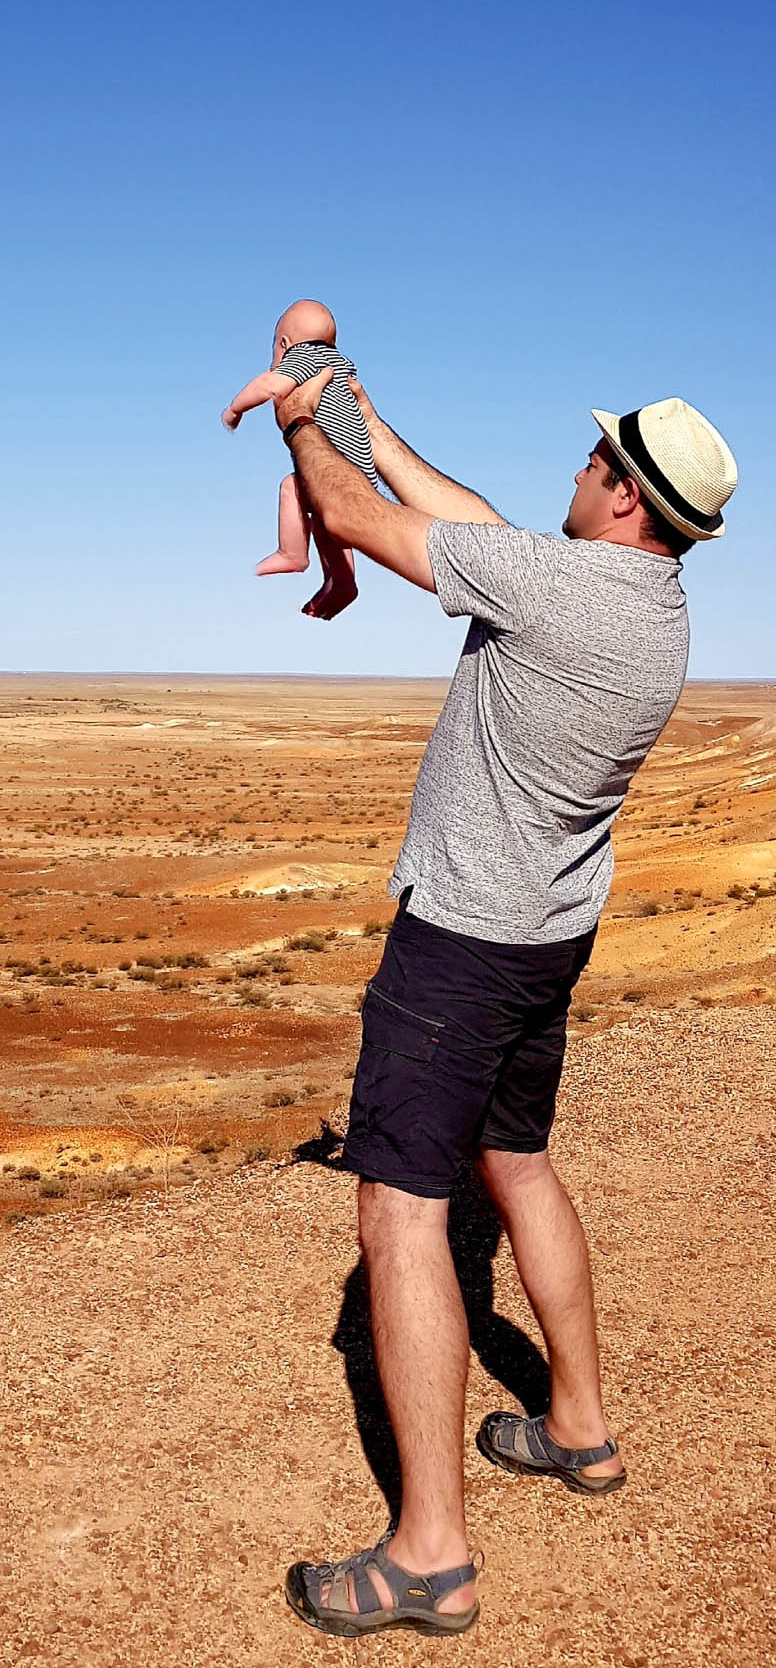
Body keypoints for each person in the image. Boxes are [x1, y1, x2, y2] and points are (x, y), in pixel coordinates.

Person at [270, 373, 739, 1639]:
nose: (577, 470)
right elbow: (464, 513)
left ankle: (431, 1553)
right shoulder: (651, 608)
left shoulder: (564, 588)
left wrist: (302, 421)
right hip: (544, 942)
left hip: (462, 946)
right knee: (519, 1163)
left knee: (403, 1209)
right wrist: (353, 398)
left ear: (625, 496)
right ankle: (578, 1423)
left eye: (596, 463)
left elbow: (360, 519)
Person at [223, 299, 379, 619]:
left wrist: (235, 409)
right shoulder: (341, 364)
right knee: (327, 523)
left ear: (285, 344)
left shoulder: (303, 357)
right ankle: (342, 583)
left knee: (291, 487)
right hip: (364, 474)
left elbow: (271, 385)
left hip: (332, 468)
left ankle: (292, 553)